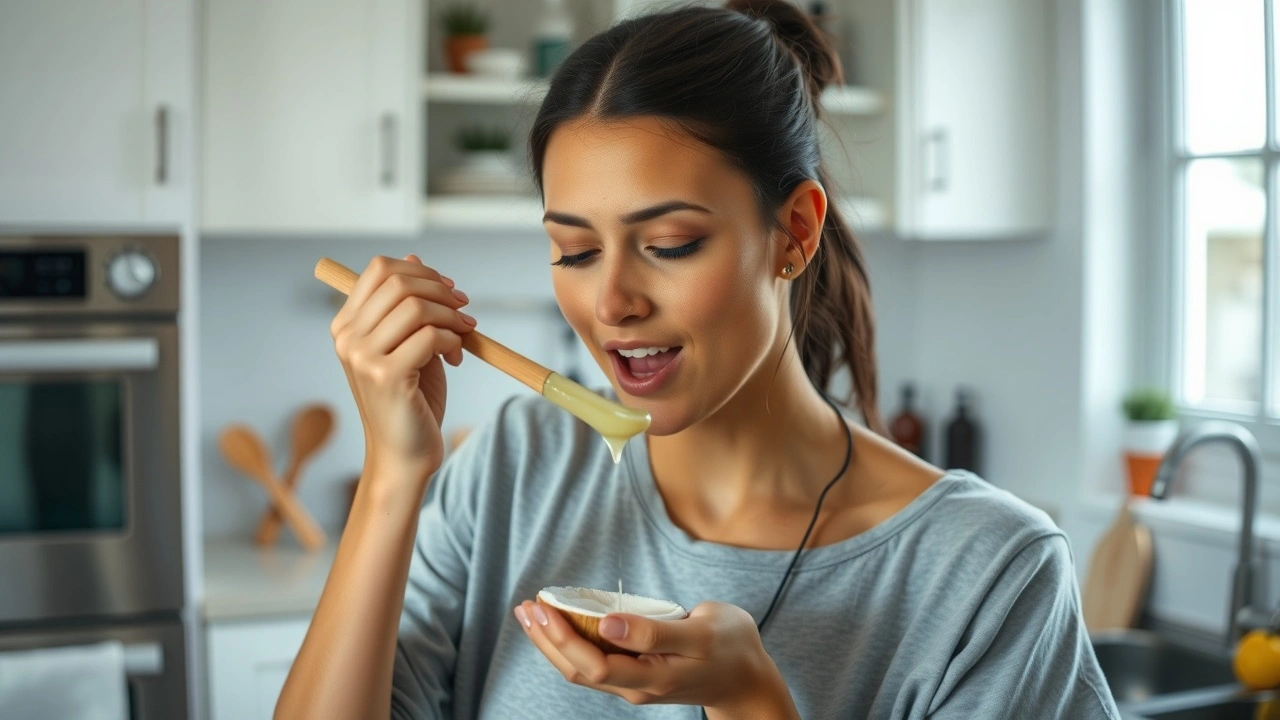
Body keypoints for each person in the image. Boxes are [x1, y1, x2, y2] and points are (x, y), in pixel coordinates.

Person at [276, 1, 1120, 718]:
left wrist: (755, 700)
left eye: (671, 244)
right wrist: (393, 475)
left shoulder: (986, 576)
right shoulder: (516, 466)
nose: (611, 305)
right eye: (574, 252)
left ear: (794, 232)